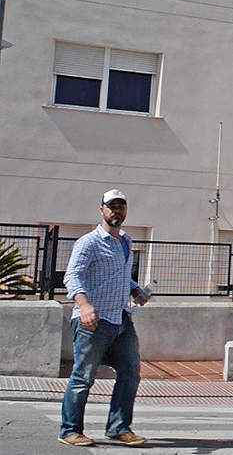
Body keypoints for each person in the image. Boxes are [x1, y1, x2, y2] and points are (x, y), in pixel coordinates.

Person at [59, 189, 150, 447]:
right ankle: (69, 430)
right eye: (112, 206)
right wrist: (84, 305)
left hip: (121, 320)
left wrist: (135, 289)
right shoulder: (88, 242)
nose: (116, 211)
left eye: (121, 206)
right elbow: (72, 276)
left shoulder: (126, 241)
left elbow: (119, 274)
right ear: (102, 210)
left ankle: (119, 427)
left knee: (130, 372)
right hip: (93, 322)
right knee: (83, 377)